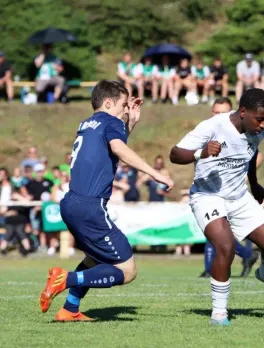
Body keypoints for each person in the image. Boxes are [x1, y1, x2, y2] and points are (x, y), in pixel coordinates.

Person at [37, 80, 173, 322]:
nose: (126, 109)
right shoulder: (111, 121)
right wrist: (155, 173)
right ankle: (66, 279)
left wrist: (130, 123)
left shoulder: (88, 124)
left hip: (71, 204)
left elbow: (114, 149)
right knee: (127, 271)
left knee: (94, 259)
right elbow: (119, 150)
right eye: (123, 104)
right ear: (108, 102)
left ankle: (69, 309)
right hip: (90, 207)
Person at [169, 88, 264, 326]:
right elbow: (174, 154)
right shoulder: (213, 127)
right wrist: (201, 152)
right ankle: (219, 314)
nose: (263, 124)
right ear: (243, 112)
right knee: (225, 246)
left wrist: (255, 183)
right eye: (260, 118)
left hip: (239, 197)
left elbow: (249, 155)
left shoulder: (257, 132)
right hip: (208, 196)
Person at [195, 96, 260, 278]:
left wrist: (244, 176)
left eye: (223, 112)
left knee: (217, 232)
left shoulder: (242, 134)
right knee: (214, 231)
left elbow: (256, 157)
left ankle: (212, 269)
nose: (219, 116)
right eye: (216, 112)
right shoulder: (207, 132)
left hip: (232, 194)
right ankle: (246, 255)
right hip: (210, 191)